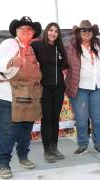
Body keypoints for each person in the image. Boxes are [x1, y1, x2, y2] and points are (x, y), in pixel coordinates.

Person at [0, 16, 42, 179]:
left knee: (25, 128)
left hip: (27, 95)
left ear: (33, 33)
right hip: (7, 95)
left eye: (29, 29)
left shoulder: (30, 48)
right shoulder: (10, 44)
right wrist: (11, 61)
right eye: (22, 28)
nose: (26, 31)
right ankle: (3, 164)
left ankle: (23, 157)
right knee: (7, 131)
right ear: (16, 31)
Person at [65, 20, 100, 155]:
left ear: (93, 32)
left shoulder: (99, 44)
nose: (87, 32)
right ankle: (82, 144)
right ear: (78, 33)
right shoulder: (72, 46)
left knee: (97, 117)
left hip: (99, 86)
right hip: (80, 88)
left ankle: (99, 144)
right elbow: (64, 63)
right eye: (83, 30)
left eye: (89, 30)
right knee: (81, 118)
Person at [31, 22, 68, 163]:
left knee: (55, 118)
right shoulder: (37, 45)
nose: (53, 33)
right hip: (45, 88)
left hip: (58, 88)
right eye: (51, 30)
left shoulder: (59, 48)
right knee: (46, 118)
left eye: (56, 31)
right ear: (46, 31)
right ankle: (47, 150)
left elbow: (64, 64)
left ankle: (54, 147)